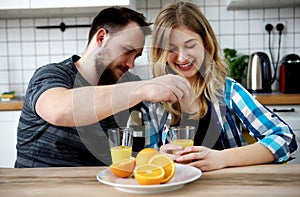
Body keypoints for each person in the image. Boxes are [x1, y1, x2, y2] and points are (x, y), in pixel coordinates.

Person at [15, 6, 191, 168]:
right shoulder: (51, 75)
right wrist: (141, 89)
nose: (131, 64)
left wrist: (157, 156)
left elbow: (134, 149)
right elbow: (60, 110)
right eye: (127, 50)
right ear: (101, 37)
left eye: (136, 56)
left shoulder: (128, 82)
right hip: (38, 187)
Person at [139, 1, 297, 172]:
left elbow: (284, 138)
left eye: (191, 45)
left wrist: (221, 158)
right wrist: (158, 158)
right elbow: (144, 160)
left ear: (206, 45)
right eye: (171, 49)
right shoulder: (154, 99)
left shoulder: (227, 91)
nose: (182, 57)